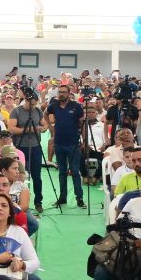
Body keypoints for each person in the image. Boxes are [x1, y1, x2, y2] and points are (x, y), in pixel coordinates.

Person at [47, 80, 86, 209]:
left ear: (69, 93)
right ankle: (62, 198)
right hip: (59, 144)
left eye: (64, 92)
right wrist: (50, 127)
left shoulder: (76, 106)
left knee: (75, 171)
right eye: (60, 92)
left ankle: (79, 198)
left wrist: (84, 140)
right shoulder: (54, 105)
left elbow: (82, 123)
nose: (61, 94)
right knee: (62, 172)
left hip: (73, 144)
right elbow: (46, 114)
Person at [8, 87, 46, 213]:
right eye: (31, 104)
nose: (33, 107)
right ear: (26, 101)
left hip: (35, 146)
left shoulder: (38, 111)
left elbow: (45, 124)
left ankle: (38, 201)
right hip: (20, 147)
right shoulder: (16, 111)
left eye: (35, 104)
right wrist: (29, 130)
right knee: (19, 174)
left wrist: (42, 128)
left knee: (37, 175)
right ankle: (19, 200)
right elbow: (12, 129)